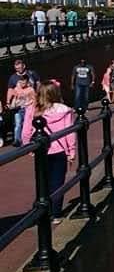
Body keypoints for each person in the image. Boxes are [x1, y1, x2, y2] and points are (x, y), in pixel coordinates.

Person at [21, 81, 76, 224]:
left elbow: (26, 130)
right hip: (59, 150)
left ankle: (42, 211)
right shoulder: (64, 110)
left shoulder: (33, 109)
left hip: (41, 150)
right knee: (57, 182)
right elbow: (69, 133)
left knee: (42, 181)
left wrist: (28, 146)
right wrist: (71, 151)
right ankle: (56, 213)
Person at [8, 75, 36, 147]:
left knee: (26, 125)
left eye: (24, 83)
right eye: (21, 82)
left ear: (27, 82)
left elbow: (34, 99)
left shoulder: (30, 89)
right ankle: (17, 140)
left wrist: (29, 104)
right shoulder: (17, 89)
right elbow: (14, 98)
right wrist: (12, 105)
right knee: (18, 124)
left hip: (27, 109)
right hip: (18, 109)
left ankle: (26, 140)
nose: (22, 84)